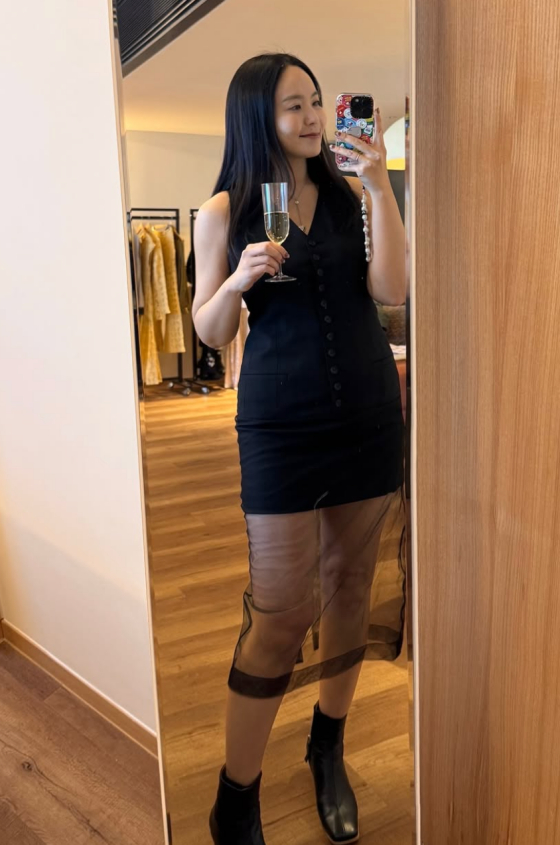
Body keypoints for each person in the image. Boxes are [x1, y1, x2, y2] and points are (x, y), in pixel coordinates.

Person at [193, 53, 406, 845]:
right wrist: (237, 280)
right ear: (258, 116)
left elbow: (391, 291)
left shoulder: (350, 194)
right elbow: (209, 329)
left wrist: (380, 185)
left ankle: (327, 745)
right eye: (295, 106)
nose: (314, 117)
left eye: (317, 101)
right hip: (280, 426)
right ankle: (236, 793)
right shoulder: (223, 211)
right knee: (280, 612)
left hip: (368, 416)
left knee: (351, 589)